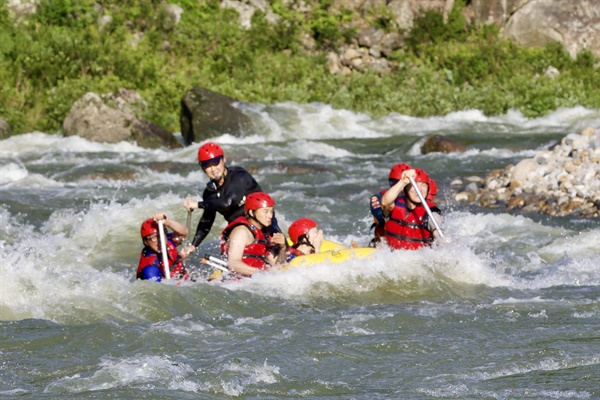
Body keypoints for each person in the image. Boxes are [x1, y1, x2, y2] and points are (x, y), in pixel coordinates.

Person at [182, 142, 283, 258]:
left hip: (264, 227)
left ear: (224, 159)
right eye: (207, 165)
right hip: (241, 232)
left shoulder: (239, 176)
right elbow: (206, 221)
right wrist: (193, 245)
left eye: (216, 163)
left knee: (278, 255)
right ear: (202, 168)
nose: (213, 169)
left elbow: (228, 203)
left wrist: (198, 204)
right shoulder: (209, 193)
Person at [220, 192, 286, 277]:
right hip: (237, 283)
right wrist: (262, 273)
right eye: (265, 212)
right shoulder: (241, 232)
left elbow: (277, 268)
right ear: (251, 212)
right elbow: (233, 264)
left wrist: (282, 248)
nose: (270, 216)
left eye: (271, 212)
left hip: (254, 282)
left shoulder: (264, 233)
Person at [380, 168, 443, 250]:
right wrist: (403, 182)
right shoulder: (394, 205)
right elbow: (385, 202)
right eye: (415, 185)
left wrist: (441, 239)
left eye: (423, 185)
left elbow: (437, 232)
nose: (420, 189)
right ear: (406, 189)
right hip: (391, 256)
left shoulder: (431, 213)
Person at [137, 212, 190, 282]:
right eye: (153, 238)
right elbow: (162, 289)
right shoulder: (150, 269)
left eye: (160, 235)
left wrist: (168, 222)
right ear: (146, 242)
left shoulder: (168, 240)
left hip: (186, 281)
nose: (160, 241)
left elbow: (184, 232)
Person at [368, 163, 412, 247]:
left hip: (409, 243)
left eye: (406, 184)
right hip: (384, 243)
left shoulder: (416, 199)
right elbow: (380, 218)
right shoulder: (379, 198)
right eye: (395, 183)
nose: (402, 188)